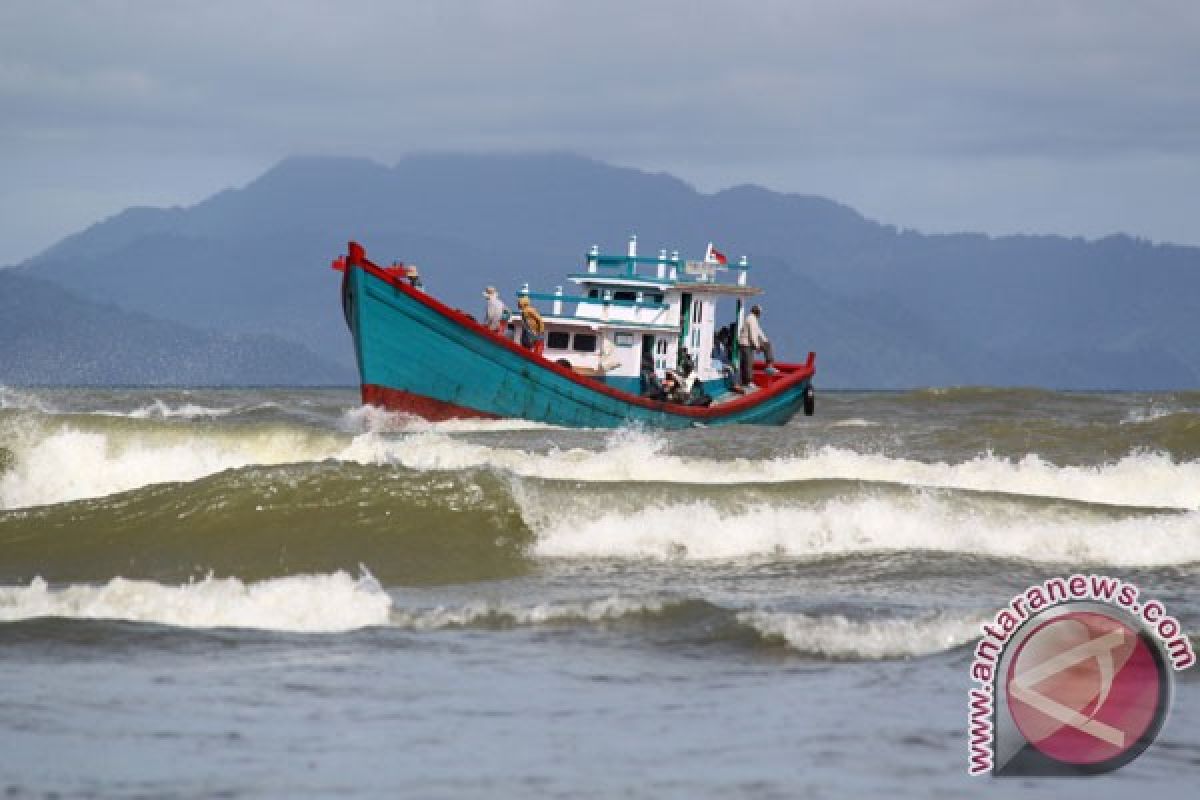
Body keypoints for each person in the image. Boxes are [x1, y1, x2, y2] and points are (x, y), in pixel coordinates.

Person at [738, 304, 778, 386]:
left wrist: (765, 340)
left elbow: (759, 331)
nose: (760, 314)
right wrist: (757, 347)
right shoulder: (751, 319)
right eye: (760, 312)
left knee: (767, 345)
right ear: (757, 312)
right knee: (748, 362)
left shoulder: (754, 319)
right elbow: (752, 334)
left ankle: (769, 366)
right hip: (746, 344)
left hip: (750, 343)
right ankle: (748, 381)